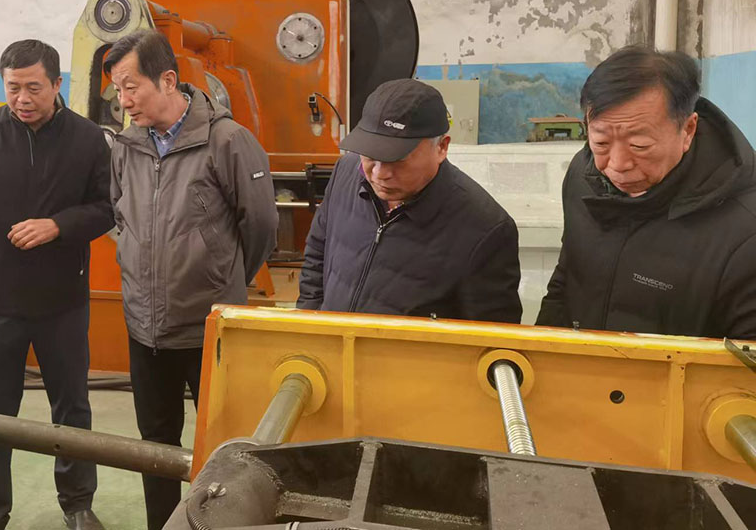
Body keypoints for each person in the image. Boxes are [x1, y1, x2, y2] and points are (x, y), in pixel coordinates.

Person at [106, 30, 277, 529]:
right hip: (144, 328)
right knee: (154, 448)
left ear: (167, 80)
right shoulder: (127, 146)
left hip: (209, 330)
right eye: (117, 90)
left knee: (222, 449)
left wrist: (222, 280)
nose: (124, 101)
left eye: (131, 87)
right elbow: (121, 215)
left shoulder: (227, 141)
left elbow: (260, 227)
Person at [0, 40, 113, 530]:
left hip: (62, 301)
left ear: (57, 84)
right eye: (13, 87)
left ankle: (78, 504)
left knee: (72, 409)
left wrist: (57, 225)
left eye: (34, 88)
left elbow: (106, 208)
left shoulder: (87, 139)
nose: (22, 98)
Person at [536, 45, 756, 338]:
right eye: (601, 143)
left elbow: (746, 357)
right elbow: (567, 278)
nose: (617, 165)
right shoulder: (583, 175)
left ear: (688, 130)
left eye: (639, 145)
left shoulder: (744, 228)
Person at [297, 78, 522, 322]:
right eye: (370, 154)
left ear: (441, 147)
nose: (379, 173)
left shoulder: (486, 229)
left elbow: (489, 333)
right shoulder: (345, 173)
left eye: (397, 159)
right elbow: (317, 254)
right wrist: (310, 324)